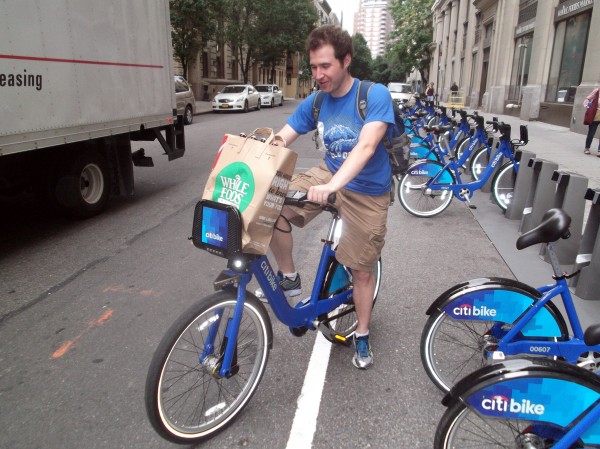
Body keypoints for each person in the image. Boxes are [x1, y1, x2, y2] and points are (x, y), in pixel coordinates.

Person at [270, 24, 395, 370]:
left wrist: (332, 186)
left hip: (368, 191)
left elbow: (367, 147)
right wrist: (253, 150)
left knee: (361, 272)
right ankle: (289, 276)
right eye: (313, 67)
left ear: (346, 60)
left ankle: (363, 334)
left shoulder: (374, 95)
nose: (318, 74)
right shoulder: (318, 101)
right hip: (330, 175)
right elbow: (283, 138)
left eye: (325, 66)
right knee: (272, 204)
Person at [583, 87, 600, 156]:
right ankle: (587, 148)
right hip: (596, 114)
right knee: (591, 133)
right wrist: (588, 105)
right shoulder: (597, 90)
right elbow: (588, 98)